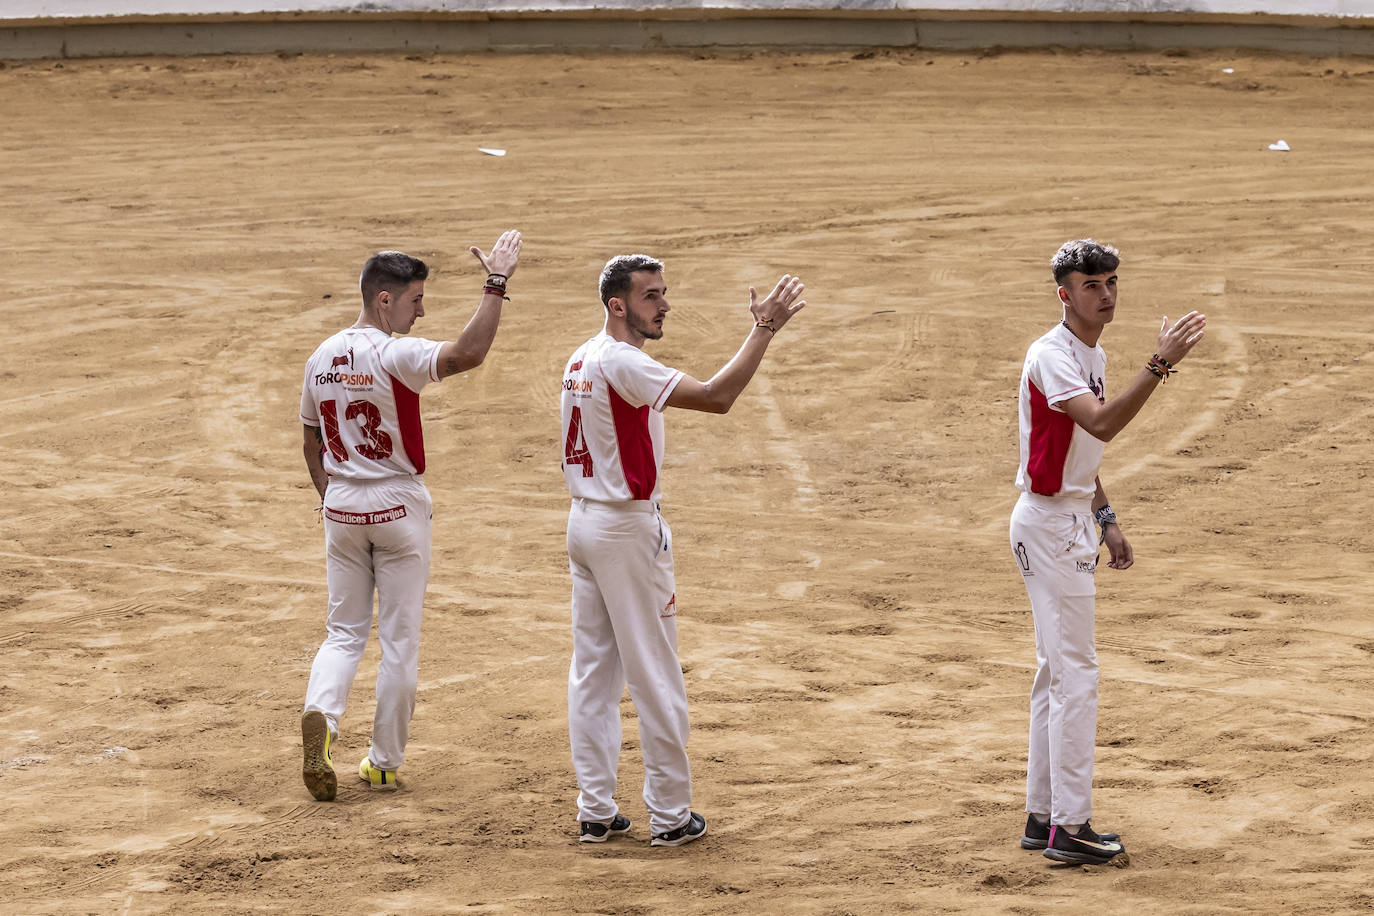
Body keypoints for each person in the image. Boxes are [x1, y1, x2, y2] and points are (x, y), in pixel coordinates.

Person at [560, 254, 806, 846]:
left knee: (593, 673)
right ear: (618, 305)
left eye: (664, 293)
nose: (665, 305)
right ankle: (670, 815)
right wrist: (764, 328)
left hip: (584, 522)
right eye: (651, 296)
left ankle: (596, 808)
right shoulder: (623, 362)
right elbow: (718, 397)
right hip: (626, 532)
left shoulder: (580, 358)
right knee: (655, 673)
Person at [298, 231, 522, 801]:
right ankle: (381, 762)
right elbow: (468, 354)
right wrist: (495, 284)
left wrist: (330, 499)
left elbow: (310, 441)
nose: (422, 311)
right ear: (384, 300)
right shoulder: (392, 353)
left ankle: (322, 715)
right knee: (398, 640)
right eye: (416, 299)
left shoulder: (320, 356)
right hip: (397, 503)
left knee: (343, 633)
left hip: (343, 502)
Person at [1010, 239, 1206, 864]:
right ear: (1064, 294)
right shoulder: (1053, 356)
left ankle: (1044, 819)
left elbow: (1079, 449)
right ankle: (1069, 828)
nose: (1107, 293)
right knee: (1077, 678)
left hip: (1065, 518)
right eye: (1092, 285)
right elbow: (1100, 424)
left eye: (1112, 282)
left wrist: (1106, 516)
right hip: (1051, 527)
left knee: (1056, 676)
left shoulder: (1087, 351)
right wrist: (1161, 364)